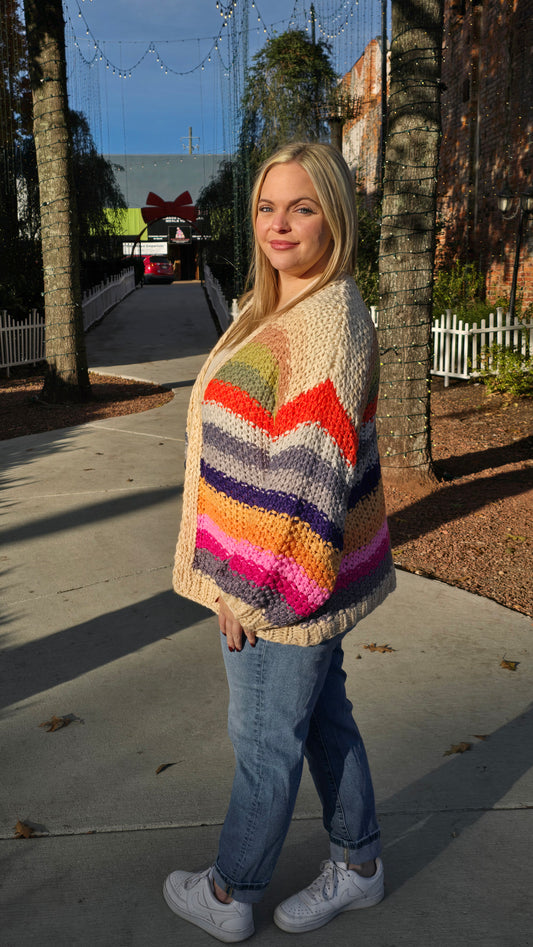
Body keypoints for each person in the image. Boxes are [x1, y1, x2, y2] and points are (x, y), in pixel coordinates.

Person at [164, 141, 396, 942]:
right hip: (293, 573)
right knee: (324, 718)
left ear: (334, 215)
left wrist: (252, 596)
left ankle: (231, 894)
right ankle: (359, 864)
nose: (280, 223)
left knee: (263, 739)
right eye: (267, 206)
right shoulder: (274, 309)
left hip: (280, 581)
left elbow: (308, 478)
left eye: (302, 206)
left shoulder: (330, 321)